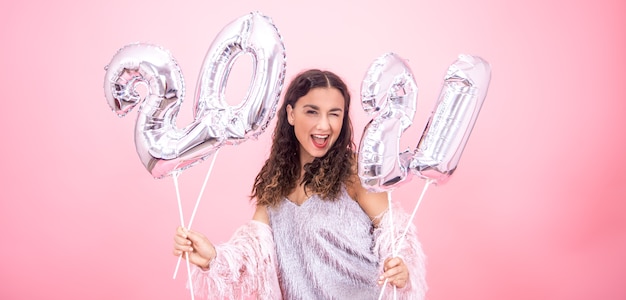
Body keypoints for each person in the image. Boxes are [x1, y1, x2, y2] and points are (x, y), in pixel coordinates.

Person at [173, 69, 427, 299]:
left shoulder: (354, 172)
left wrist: (400, 266)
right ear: (291, 114)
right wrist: (212, 257)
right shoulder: (275, 181)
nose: (324, 125)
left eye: (334, 114)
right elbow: (253, 252)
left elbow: (395, 233)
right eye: (312, 111)